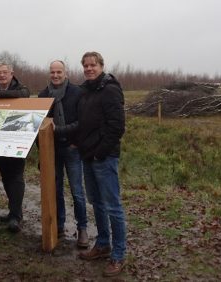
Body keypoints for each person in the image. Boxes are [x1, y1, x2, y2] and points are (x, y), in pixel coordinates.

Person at [76, 52, 127, 277]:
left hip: (103, 158)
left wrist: (99, 153)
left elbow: (117, 127)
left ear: (101, 66)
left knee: (113, 206)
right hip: (87, 156)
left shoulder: (110, 90)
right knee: (96, 203)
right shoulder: (85, 90)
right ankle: (103, 244)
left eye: (93, 65)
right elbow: (83, 123)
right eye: (86, 66)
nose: (89, 69)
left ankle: (118, 255)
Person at [38, 60, 89, 248]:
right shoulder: (43, 95)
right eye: (52, 72)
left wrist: (61, 132)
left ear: (65, 73)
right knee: (55, 190)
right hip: (51, 151)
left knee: (77, 191)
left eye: (59, 71)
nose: (56, 75)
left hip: (72, 149)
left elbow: (82, 122)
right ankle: (58, 225)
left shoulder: (76, 92)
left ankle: (82, 228)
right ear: (49, 73)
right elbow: (39, 125)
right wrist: (41, 151)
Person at [0, 61, 30, 233]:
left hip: (17, 139)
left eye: (5, 72)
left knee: (16, 177)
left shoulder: (21, 88)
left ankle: (16, 216)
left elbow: (24, 95)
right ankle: (13, 211)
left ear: (12, 73)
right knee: (5, 177)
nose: (2, 75)